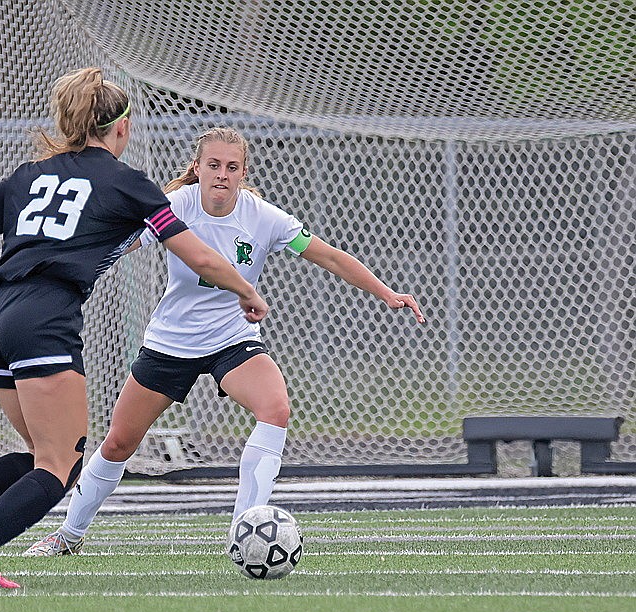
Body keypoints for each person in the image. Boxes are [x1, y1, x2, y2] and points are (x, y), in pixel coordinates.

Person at [0, 69, 269, 589]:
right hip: (44, 318)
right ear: (119, 129)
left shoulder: (30, 173)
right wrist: (248, 291)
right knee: (60, 468)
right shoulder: (128, 183)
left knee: (42, 454)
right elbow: (201, 257)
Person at [24, 126, 425, 556]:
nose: (221, 175)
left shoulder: (263, 217)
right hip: (171, 342)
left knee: (275, 409)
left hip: (233, 338)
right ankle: (67, 536)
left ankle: (246, 534)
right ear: (197, 168)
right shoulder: (175, 205)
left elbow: (327, 255)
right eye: (213, 165)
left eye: (231, 167)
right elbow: (122, 242)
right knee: (120, 442)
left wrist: (386, 292)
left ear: (243, 172)